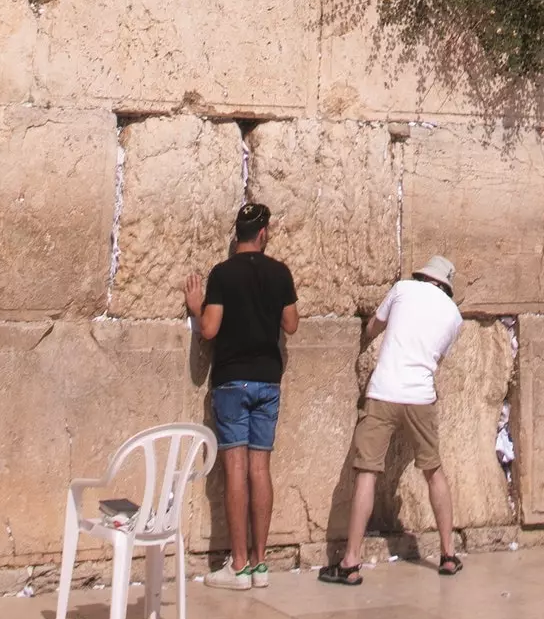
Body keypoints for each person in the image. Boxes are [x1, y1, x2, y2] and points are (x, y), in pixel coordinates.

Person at [319, 255, 464, 585]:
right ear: (445, 286)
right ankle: (448, 554)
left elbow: (373, 327)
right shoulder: (454, 316)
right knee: (434, 471)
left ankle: (351, 562)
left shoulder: (402, 289)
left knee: (367, 473)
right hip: (421, 397)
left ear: (424, 277)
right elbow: (437, 358)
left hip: (384, 389)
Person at [184, 202, 298, 592]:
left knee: (235, 469)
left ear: (239, 235)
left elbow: (210, 329)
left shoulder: (222, 273)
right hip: (268, 380)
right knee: (260, 469)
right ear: (263, 233)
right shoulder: (280, 272)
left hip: (232, 381)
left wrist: (196, 307)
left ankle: (237, 566)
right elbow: (292, 324)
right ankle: (261, 563)